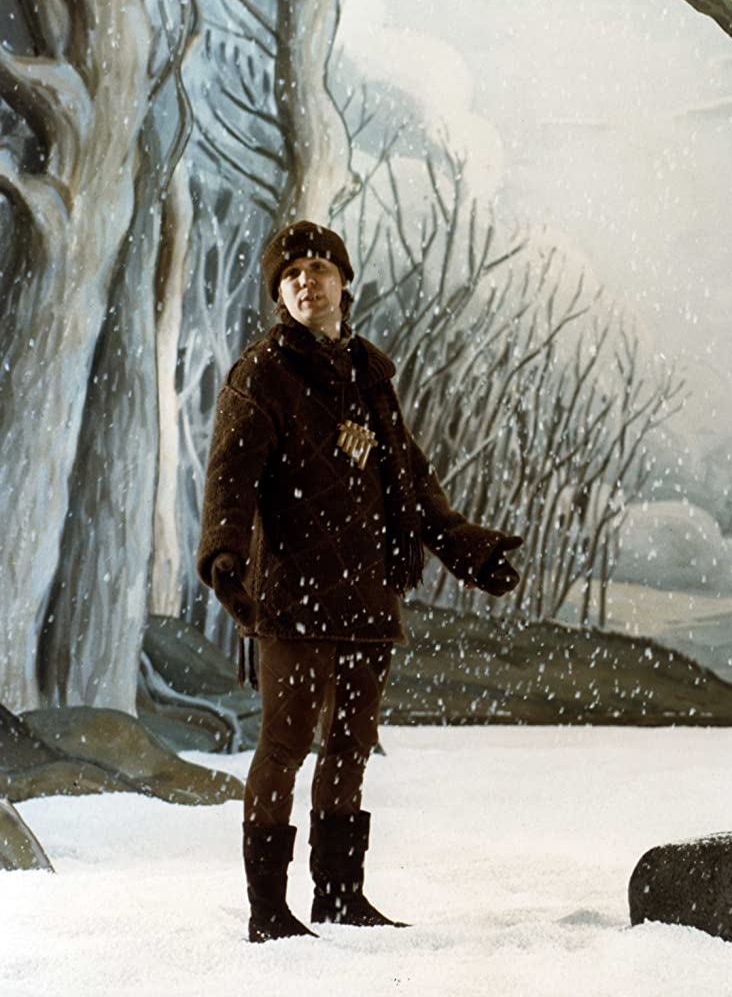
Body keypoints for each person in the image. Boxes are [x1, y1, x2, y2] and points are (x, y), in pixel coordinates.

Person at [196, 220, 522, 943]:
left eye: (319, 268)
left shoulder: (370, 377)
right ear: (279, 294)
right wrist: (224, 555)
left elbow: (412, 480)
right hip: (291, 591)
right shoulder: (261, 374)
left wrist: (468, 551)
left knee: (349, 746)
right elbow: (230, 478)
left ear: (344, 282)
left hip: (367, 591)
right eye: (291, 274)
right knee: (284, 746)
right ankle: (268, 910)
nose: (306, 282)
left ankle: (340, 895)